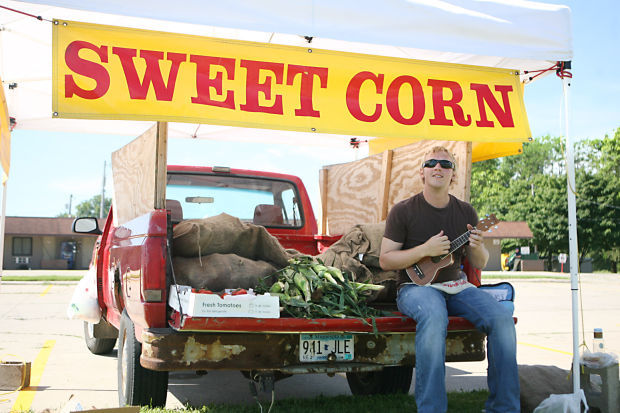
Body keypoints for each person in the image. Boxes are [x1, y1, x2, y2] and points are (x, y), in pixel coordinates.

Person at [379, 146, 519, 413]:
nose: (438, 167)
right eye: (431, 163)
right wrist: (425, 250)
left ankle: (504, 408)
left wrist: (477, 246)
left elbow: (477, 262)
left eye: (445, 164)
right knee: (434, 316)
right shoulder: (403, 211)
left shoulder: (466, 212)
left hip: (457, 286)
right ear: (422, 172)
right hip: (415, 288)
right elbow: (386, 260)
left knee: (502, 320)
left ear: (453, 174)